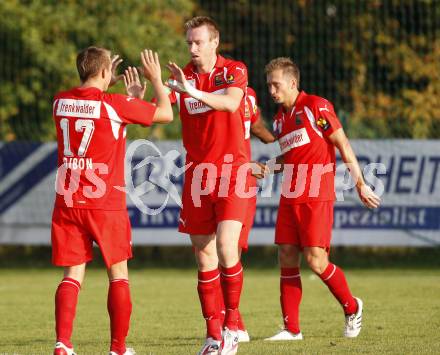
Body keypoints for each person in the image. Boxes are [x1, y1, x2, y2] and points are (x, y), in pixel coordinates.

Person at [51, 47, 172, 355]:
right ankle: (118, 349)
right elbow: (165, 113)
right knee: (118, 275)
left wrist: (113, 88)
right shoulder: (115, 105)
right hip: (104, 202)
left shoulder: (60, 101)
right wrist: (156, 80)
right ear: (105, 73)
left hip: (68, 200)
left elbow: (92, 106)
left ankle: (63, 344)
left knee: (72, 274)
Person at [254, 57, 381, 341]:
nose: (272, 91)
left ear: (293, 83)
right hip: (290, 195)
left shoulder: (316, 106)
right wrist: (267, 168)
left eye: (276, 85)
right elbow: (289, 156)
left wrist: (360, 184)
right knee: (286, 255)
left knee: (316, 261)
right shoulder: (278, 120)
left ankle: (352, 306)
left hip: (317, 194)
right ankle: (291, 329)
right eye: (269, 86)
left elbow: (342, 143)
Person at [165, 16, 252, 355]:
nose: (193, 48)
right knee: (204, 258)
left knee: (228, 248)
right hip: (197, 176)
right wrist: (153, 89)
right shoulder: (183, 75)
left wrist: (193, 91)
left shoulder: (233, 71)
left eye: (199, 42)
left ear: (215, 42)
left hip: (233, 173)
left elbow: (231, 103)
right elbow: (161, 108)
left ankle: (232, 326)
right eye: (189, 42)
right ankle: (213, 335)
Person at [216, 86, 276, 343]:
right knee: (221, 254)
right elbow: (258, 128)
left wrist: (278, 141)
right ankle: (233, 324)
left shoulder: (243, 95)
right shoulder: (244, 94)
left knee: (229, 253)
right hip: (225, 178)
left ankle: (234, 324)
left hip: (237, 181)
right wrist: (273, 139)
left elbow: (257, 126)